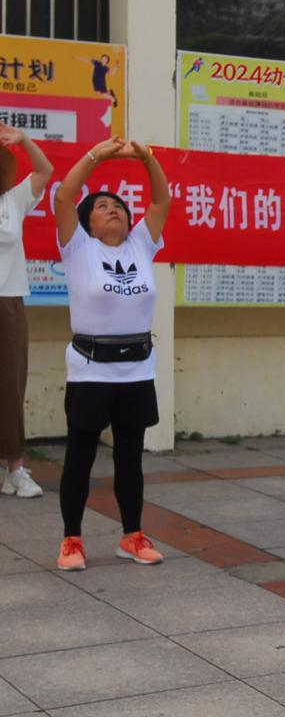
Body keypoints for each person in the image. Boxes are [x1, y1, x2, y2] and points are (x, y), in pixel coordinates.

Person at [50, 137, 172, 572]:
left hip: (136, 369)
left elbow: (162, 197)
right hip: (90, 371)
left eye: (118, 205)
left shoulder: (142, 244)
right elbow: (65, 195)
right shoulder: (78, 248)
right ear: (87, 222)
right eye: (102, 206)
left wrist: (147, 158)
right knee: (80, 457)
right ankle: (72, 540)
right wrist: (98, 156)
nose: (113, 209)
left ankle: (132, 535)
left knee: (130, 458)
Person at [0, 123, 54, 498]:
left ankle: (15, 466)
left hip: (9, 300)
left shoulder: (14, 199)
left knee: (10, 383)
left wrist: (25, 141)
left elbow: (45, 171)